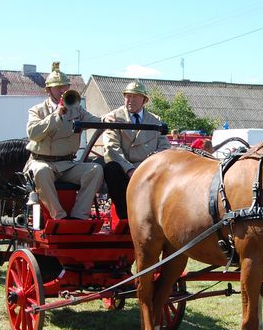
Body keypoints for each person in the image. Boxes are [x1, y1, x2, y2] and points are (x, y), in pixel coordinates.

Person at [26, 62, 104, 220]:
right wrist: (56, 115)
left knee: (95, 170)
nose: (63, 90)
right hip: (41, 161)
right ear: (48, 90)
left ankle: (79, 215)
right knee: (42, 172)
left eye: (65, 86)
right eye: (58, 87)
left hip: (67, 164)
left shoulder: (77, 109)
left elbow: (94, 121)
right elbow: (33, 134)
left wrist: (107, 120)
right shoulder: (37, 110)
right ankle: (59, 217)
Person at [93, 80, 170, 218]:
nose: (130, 100)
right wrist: (129, 170)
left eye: (135, 96)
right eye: (128, 96)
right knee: (111, 168)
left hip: (148, 169)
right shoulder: (114, 118)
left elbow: (164, 147)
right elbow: (112, 148)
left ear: (144, 100)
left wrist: (150, 165)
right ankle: (126, 217)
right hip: (124, 170)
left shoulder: (155, 120)